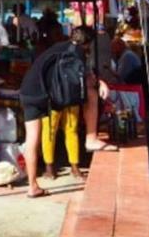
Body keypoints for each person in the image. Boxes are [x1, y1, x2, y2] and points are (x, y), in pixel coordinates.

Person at [20, 27, 115, 198]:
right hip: (45, 94)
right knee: (92, 93)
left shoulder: (60, 46)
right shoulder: (76, 51)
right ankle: (91, 138)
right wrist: (100, 83)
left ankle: (32, 186)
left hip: (28, 90)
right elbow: (83, 78)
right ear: (88, 44)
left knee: (32, 139)